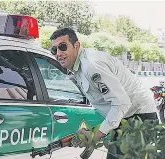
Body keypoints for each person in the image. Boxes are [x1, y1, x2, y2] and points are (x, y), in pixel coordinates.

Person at [50, 27, 158, 159]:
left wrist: (95, 136)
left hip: (139, 117)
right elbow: (106, 102)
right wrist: (93, 131)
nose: (58, 53)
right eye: (54, 50)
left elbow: (121, 103)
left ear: (76, 45)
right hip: (124, 118)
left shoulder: (92, 65)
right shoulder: (75, 69)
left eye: (62, 47)